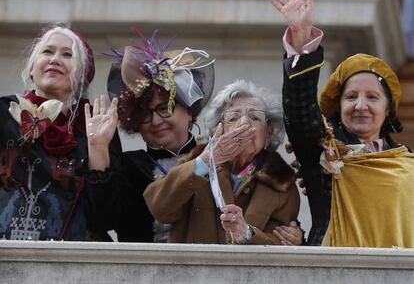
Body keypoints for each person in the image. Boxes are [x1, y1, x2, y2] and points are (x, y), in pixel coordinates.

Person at [269, 0, 414, 247]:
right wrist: (302, 44)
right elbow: (300, 112)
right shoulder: (322, 149)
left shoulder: (409, 165)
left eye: (372, 97)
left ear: (387, 109)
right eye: (351, 97)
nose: (360, 105)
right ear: (338, 106)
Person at [85, 30, 216, 242]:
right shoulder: (129, 168)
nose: (155, 121)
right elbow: (100, 221)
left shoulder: (216, 158)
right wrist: (98, 149)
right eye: (144, 114)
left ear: (189, 110)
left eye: (165, 108)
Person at [0, 24, 121, 241]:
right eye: (47, 51)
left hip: (71, 263)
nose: (55, 59)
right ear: (32, 67)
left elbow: (102, 219)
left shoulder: (95, 123)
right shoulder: (5, 112)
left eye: (68, 55)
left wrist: (98, 148)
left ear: (82, 75)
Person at [144, 80, 301, 245]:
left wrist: (246, 234)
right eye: (234, 118)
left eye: (254, 117)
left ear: (268, 133)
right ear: (219, 130)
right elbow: (159, 208)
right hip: (194, 270)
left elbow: (282, 243)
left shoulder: (281, 182)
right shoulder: (196, 163)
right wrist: (206, 161)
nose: (244, 124)